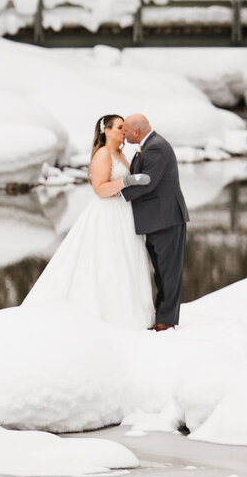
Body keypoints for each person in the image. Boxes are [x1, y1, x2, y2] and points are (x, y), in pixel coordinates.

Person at [22, 113, 155, 330]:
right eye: (120, 127)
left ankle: (133, 312)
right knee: (109, 261)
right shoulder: (103, 155)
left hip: (123, 212)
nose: (124, 131)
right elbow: (100, 189)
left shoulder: (120, 154)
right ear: (107, 130)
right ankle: (109, 315)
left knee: (128, 258)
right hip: (107, 214)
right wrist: (126, 181)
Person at [122, 113, 189, 331]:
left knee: (168, 272)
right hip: (156, 219)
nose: (123, 134)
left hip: (166, 219)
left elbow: (147, 184)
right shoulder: (148, 145)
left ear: (136, 132)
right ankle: (162, 318)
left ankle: (166, 322)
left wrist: (118, 193)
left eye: (125, 130)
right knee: (161, 271)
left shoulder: (156, 147)